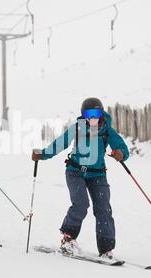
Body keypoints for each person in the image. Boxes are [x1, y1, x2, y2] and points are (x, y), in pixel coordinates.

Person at [31, 98, 129, 259]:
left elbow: (121, 148)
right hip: (75, 172)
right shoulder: (77, 128)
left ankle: (106, 249)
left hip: (98, 174)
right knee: (81, 204)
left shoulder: (107, 130)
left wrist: (121, 154)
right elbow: (60, 144)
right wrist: (42, 154)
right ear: (83, 115)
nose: (93, 118)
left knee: (103, 209)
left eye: (96, 113)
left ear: (101, 114)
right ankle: (68, 239)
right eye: (89, 114)